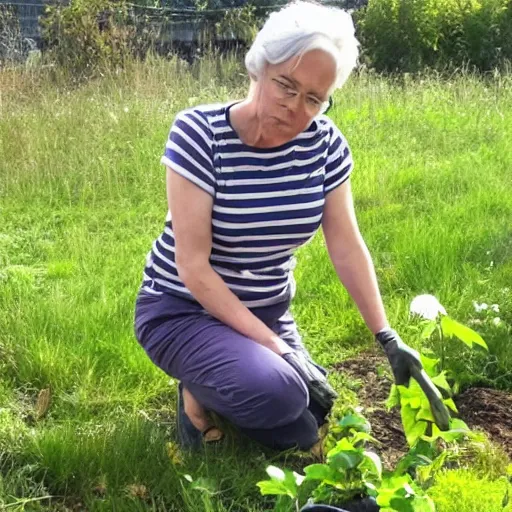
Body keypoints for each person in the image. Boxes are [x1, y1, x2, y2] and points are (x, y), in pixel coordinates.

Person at [133, 0, 425, 453]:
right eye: (286, 85)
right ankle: (195, 384)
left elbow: (346, 244)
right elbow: (193, 267)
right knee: (285, 401)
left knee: (314, 409)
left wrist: (386, 336)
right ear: (258, 68)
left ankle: (229, 373)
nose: (295, 107)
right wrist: (281, 351)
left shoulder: (325, 146)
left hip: (265, 311)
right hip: (182, 310)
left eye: (314, 98)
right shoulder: (199, 133)